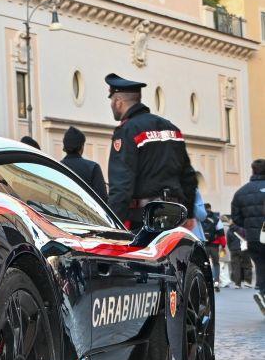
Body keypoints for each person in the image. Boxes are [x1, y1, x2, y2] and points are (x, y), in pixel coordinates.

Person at [104, 73, 197, 231]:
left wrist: (112, 223)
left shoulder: (127, 131)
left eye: (112, 101)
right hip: (175, 216)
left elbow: (121, 185)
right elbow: (188, 177)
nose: (112, 105)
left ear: (118, 101)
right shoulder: (172, 129)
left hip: (143, 219)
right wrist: (189, 214)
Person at [230, 158, 265, 314]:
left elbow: (236, 218)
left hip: (253, 237)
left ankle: (263, 293)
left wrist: (250, 226)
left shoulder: (241, 192)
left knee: (261, 265)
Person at [60, 126, 107, 200]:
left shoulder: (57, 167)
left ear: (65, 147)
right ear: (82, 147)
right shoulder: (93, 167)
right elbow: (102, 198)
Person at [200, 202, 226, 289]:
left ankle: (205, 281)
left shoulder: (200, 218)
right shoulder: (216, 219)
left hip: (203, 245)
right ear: (210, 208)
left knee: (204, 263)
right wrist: (223, 245)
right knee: (216, 264)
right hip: (214, 245)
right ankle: (216, 282)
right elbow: (221, 234)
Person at [227, 219, 252, 289]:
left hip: (233, 250)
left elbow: (228, 241)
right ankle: (247, 282)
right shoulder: (243, 228)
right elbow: (248, 238)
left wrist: (231, 249)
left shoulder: (229, 230)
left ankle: (237, 284)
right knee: (247, 265)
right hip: (243, 249)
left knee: (236, 267)